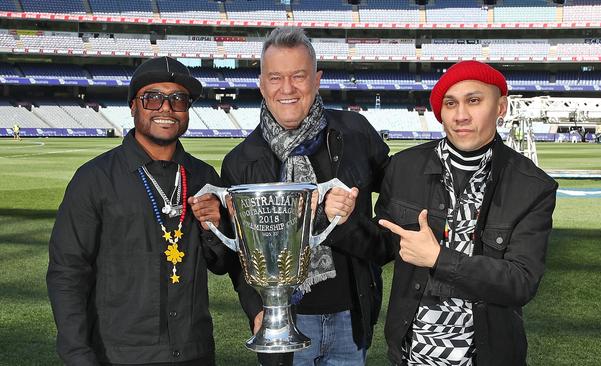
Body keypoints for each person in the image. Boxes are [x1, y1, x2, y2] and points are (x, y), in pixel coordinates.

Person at [337, 61, 558, 365]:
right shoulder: (404, 168)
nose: (461, 115)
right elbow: (382, 245)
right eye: (450, 103)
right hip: (412, 355)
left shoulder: (533, 187)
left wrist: (439, 259)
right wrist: (342, 221)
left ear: (501, 107)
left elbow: (521, 282)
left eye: (474, 100)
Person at [46, 56, 255, 365]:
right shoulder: (94, 179)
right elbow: (67, 272)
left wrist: (215, 228)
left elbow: (222, 263)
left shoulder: (204, 177)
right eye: (153, 98)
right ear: (133, 106)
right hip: (119, 355)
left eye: (178, 99)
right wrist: (78, 355)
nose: (166, 108)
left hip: (194, 352)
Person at [220, 27, 390, 365]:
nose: (287, 89)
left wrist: (343, 222)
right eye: (275, 78)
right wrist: (256, 310)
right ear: (261, 84)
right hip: (283, 323)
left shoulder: (357, 134)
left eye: (299, 76)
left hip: (350, 320)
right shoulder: (239, 161)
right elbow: (240, 259)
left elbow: (390, 223)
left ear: (317, 79)